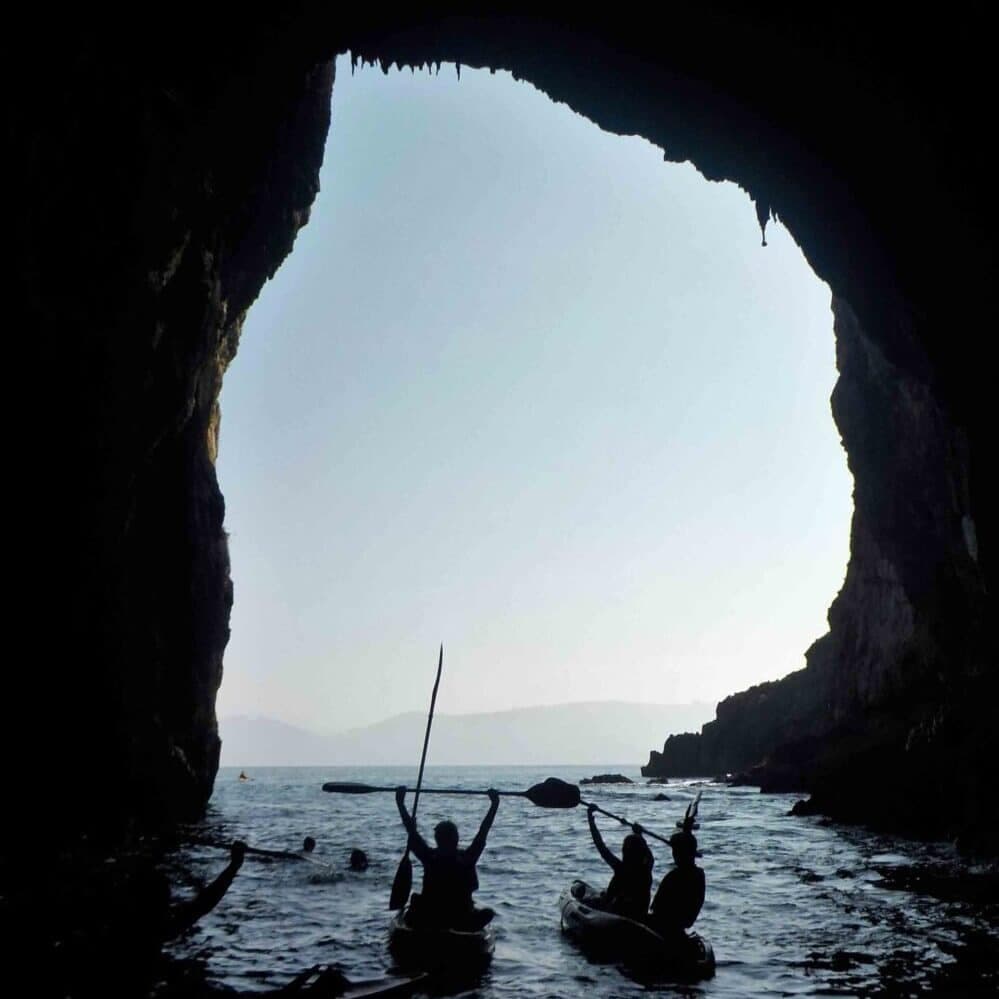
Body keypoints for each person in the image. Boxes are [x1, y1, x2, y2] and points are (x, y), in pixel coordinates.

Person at [394, 785, 500, 930]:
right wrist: (494, 805)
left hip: (433, 915)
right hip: (458, 917)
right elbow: (484, 830)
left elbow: (411, 832)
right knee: (487, 913)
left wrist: (400, 803)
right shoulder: (468, 858)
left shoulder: (429, 857)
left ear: (437, 839)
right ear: (456, 838)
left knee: (414, 906)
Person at [586, 804, 653, 919]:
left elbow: (600, 846)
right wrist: (639, 834)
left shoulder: (621, 868)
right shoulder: (646, 869)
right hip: (640, 914)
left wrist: (590, 819)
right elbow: (648, 854)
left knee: (598, 900)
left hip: (619, 914)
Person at [647, 829, 704, 946]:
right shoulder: (699, 875)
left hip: (665, 929)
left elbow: (657, 908)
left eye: (676, 851)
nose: (674, 854)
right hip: (677, 928)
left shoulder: (674, 877)